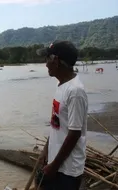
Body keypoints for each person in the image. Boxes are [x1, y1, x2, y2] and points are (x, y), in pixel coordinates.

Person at [34, 41, 88, 190]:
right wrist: (46, 150)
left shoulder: (75, 91)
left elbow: (74, 133)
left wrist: (54, 166)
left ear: (56, 61)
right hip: (56, 165)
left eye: (47, 59)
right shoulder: (61, 86)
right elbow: (56, 124)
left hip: (67, 171)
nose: (45, 64)